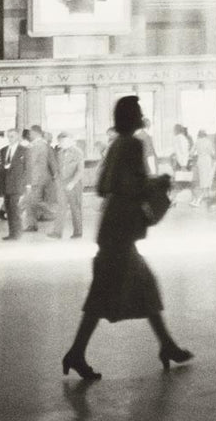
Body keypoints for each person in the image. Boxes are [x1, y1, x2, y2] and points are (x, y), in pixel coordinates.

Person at [62, 94, 192, 381]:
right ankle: (77, 352)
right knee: (106, 295)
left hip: (112, 229)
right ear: (130, 116)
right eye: (138, 111)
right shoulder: (133, 144)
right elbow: (132, 185)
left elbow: (102, 187)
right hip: (121, 233)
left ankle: (166, 345)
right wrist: (159, 182)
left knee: (141, 288)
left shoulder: (114, 146)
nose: (141, 114)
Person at [50, 132, 85, 239]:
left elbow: (80, 170)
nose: (61, 143)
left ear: (70, 140)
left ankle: (78, 232)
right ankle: (57, 232)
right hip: (61, 184)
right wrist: (56, 179)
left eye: (64, 141)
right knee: (61, 208)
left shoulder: (77, 152)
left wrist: (73, 183)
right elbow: (58, 169)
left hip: (74, 184)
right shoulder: (59, 153)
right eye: (60, 141)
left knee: (75, 208)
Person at [0, 128, 28, 241]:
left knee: (15, 209)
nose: (10, 138)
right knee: (9, 209)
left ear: (18, 137)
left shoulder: (24, 150)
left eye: (13, 136)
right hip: (6, 184)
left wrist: (27, 184)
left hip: (17, 184)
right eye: (8, 136)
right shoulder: (4, 150)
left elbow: (28, 168)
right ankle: (12, 233)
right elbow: (3, 166)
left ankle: (17, 233)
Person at [24, 124, 58, 230]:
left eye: (30, 133)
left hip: (35, 178)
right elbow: (52, 161)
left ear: (35, 133)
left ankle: (54, 212)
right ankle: (32, 224)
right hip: (41, 177)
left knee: (34, 201)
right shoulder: (44, 145)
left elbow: (31, 163)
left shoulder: (36, 145)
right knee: (30, 201)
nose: (29, 135)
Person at [190, 129, 214, 207]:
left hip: (200, 161)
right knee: (208, 177)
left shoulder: (197, 142)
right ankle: (204, 196)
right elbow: (212, 152)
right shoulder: (208, 141)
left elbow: (191, 153)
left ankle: (205, 195)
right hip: (207, 160)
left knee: (202, 178)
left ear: (199, 135)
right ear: (205, 134)